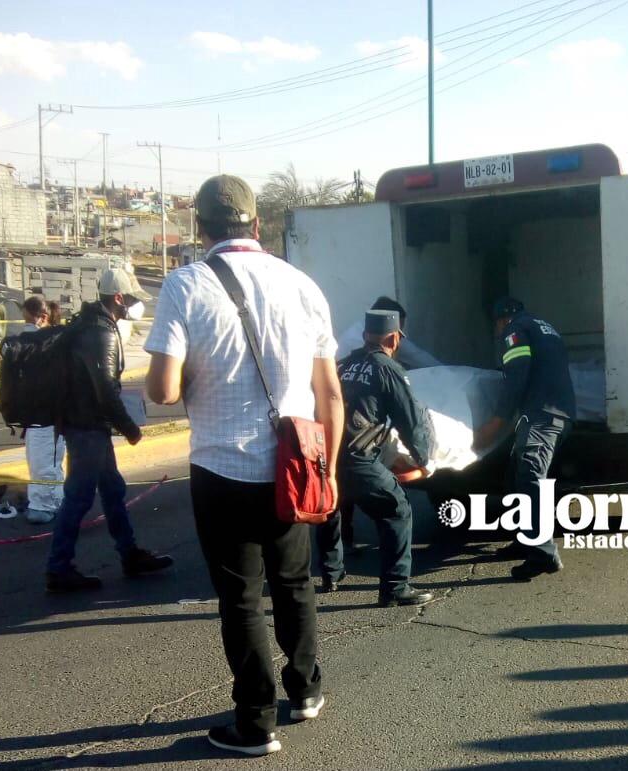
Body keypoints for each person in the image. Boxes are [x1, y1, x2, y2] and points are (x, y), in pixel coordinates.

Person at [145, 174, 341, 757]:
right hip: (296, 463)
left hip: (222, 470)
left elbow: (160, 388)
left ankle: (256, 723)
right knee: (294, 584)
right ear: (258, 225)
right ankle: (306, 691)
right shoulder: (302, 284)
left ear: (201, 228)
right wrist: (328, 470)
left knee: (242, 599)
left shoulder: (185, 285)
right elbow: (328, 392)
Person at [46, 270, 172, 592]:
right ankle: (59, 569)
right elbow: (104, 389)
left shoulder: (90, 325)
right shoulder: (100, 332)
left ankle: (129, 554)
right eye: (131, 298)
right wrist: (129, 427)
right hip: (87, 429)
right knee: (78, 498)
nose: (133, 304)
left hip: (90, 428)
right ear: (118, 298)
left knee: (113, 492)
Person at [317, 308, 436, 607]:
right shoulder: (387, 369)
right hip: (360, 459)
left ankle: (331, 575)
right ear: (394, 338)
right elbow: (409, 417)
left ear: (364, 335)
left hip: (328, 457)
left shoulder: (343, 365)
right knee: (397, 510)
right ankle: (396, 588)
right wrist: (424, 458)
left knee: (333, 507)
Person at [475, 297, 576, 581]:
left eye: (495, 326)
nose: (496, 333)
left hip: (540, 415)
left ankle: (543, 552)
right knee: (516, 474)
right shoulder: (544, 327)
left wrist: (497, 421)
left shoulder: (514, 331)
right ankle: (525, 540)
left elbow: (517, 374)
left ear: (501, 320)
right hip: (558, 414)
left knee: (530, 478)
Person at [19, 296, 65, 524]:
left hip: (47, 417)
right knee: (44, 461)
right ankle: (54, 500)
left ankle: (44, 505)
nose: (25, 326)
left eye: (27, 320)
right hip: (39, 416)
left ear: (42, 318)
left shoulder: (51, 345)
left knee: (45, 461)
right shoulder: (40, 344)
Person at [334, 296, 441, 370]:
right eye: (398, 331)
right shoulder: (355, 343)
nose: (398, 339)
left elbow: (416, 355)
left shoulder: (375, 331)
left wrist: (446, 372)